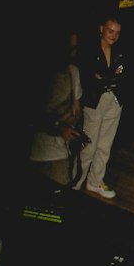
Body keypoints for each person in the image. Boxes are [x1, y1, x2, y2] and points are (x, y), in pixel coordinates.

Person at [75, 15, 126, 199]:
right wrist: (102, 79)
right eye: (110, 31)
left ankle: (95, 181)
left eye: (117, 33)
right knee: (89, 145)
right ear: (101, 29)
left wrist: (106, 79)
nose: (113, 35)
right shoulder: (89, 49)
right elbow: (88, 78)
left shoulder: (120, 51)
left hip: (113, 100)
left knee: (105, 145)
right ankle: (76, 181)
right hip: (94, 101)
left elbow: (122, 75)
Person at [28, 31, 84, 190]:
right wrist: (58, 126)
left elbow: (77, 110)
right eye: (68, 48)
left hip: (59, 152)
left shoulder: (73, 72)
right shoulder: (40, 73)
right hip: (36, 150)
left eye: (74, 48)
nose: (72, 53)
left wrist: (77, 132)